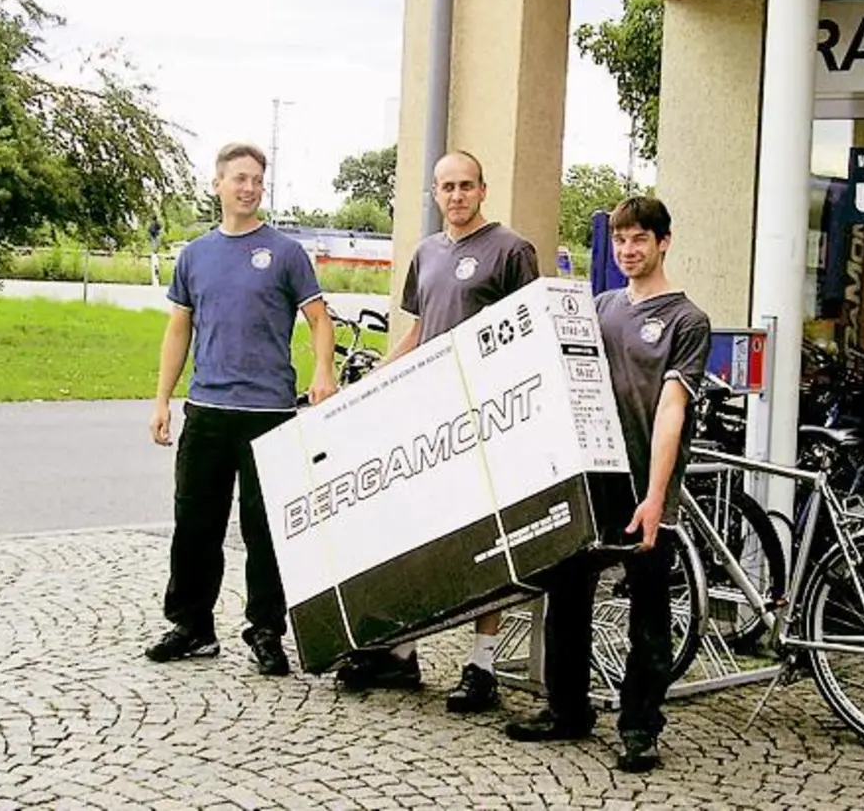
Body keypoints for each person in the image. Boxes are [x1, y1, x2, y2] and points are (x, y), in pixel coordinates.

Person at [501, 196, 710, 774]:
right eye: (620, 240)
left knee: (648, 613)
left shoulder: (687, 321)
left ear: (664, 242)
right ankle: (567, 711)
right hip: (591, 483)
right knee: (567, 596)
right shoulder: (601, 306)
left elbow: (672, 410)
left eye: (640, 239)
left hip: (646, 489)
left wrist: (656, 496)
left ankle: (640, 729)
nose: (628, 250)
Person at [333, 150, 540, 715]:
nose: (456, 196)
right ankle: (403, 653)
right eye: (446, 187)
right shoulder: (425, 252)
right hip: (430, 420)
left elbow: (528, 335)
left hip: (487, 420)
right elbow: (421, 330)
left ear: (483, 190)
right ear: (434, 193)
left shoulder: (512, 251)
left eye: (466, 185)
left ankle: (483, 666)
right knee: (420, 535)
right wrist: (373, 381)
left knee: (486, 541)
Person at [145, 142, 338, 676]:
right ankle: (192, 626)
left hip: (268, 413)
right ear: (218, 184)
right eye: (239, 178)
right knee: (195, 524)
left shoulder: (285, 253)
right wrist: (162, 399)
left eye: (256, 180)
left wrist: (323, 371)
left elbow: (319, 319)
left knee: (265, 529)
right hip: (206, 409)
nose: (249, 188)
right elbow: (178, 329)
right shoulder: (195, 255)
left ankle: (266, 630)